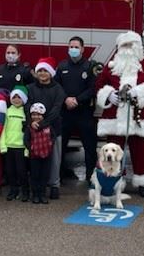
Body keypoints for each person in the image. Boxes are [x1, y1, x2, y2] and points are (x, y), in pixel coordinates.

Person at [95, 31, 144, 197]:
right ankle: (112, 181)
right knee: (112, 152)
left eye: (131, 45)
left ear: (138, 46)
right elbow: (98, 86)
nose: (128, 48)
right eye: (124, 45)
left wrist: (137, 93)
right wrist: (109, 94)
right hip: (115, 119)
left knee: (142, 152)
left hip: (140, 117)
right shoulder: (111, 67)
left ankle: (142, 183)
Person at [56, 36, 97, 184]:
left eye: (76, 47)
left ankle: (91, 177)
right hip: (65, 113)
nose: (73, 49)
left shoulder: (90, 66)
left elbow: (93, 88)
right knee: (60, 146)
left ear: (82, 49)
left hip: (84, 113)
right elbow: (57, 87)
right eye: (71, 47)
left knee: (90, 148)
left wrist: (77, 100)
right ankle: (58, 177)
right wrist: (66, 99)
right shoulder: (62, 67)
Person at [27, 57, 66, 200]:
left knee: (54, 160)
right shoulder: (30, 88)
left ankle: (54, 185)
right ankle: (37, 188)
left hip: (53, 130)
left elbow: (56, 110)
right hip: (33, 129)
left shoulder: (58, 89)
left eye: (45, 71)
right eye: (40, 71)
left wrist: (43, 124)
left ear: (51, 73)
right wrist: (31, 122)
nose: (42, 73)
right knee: (35, 160)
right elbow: (27, 106)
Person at [0, 86, 29, 201]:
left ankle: (25, 191)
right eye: (14, 97)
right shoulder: (7, 111)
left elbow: (28, 132)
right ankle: (13, 190)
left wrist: (27, 149)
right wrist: (2, 145)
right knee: (10, 171)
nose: (16, 100)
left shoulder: (26, 112)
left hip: (21, 147)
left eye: (19, 97)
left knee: (22, 172)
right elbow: (3, 129)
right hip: (9, 146)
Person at [27, 103, 54, 205]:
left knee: (44, 175)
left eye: (39, 114)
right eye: (33, 114)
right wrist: (31, 148)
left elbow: (53, 137)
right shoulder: (30, 127)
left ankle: (42, 194)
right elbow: (27, 140)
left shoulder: (48, 127)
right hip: (34, 156)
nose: (36, 117)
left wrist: (50, 145)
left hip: (46, 155)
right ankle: (35, 194)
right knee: (35, 175)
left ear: (43, 116)